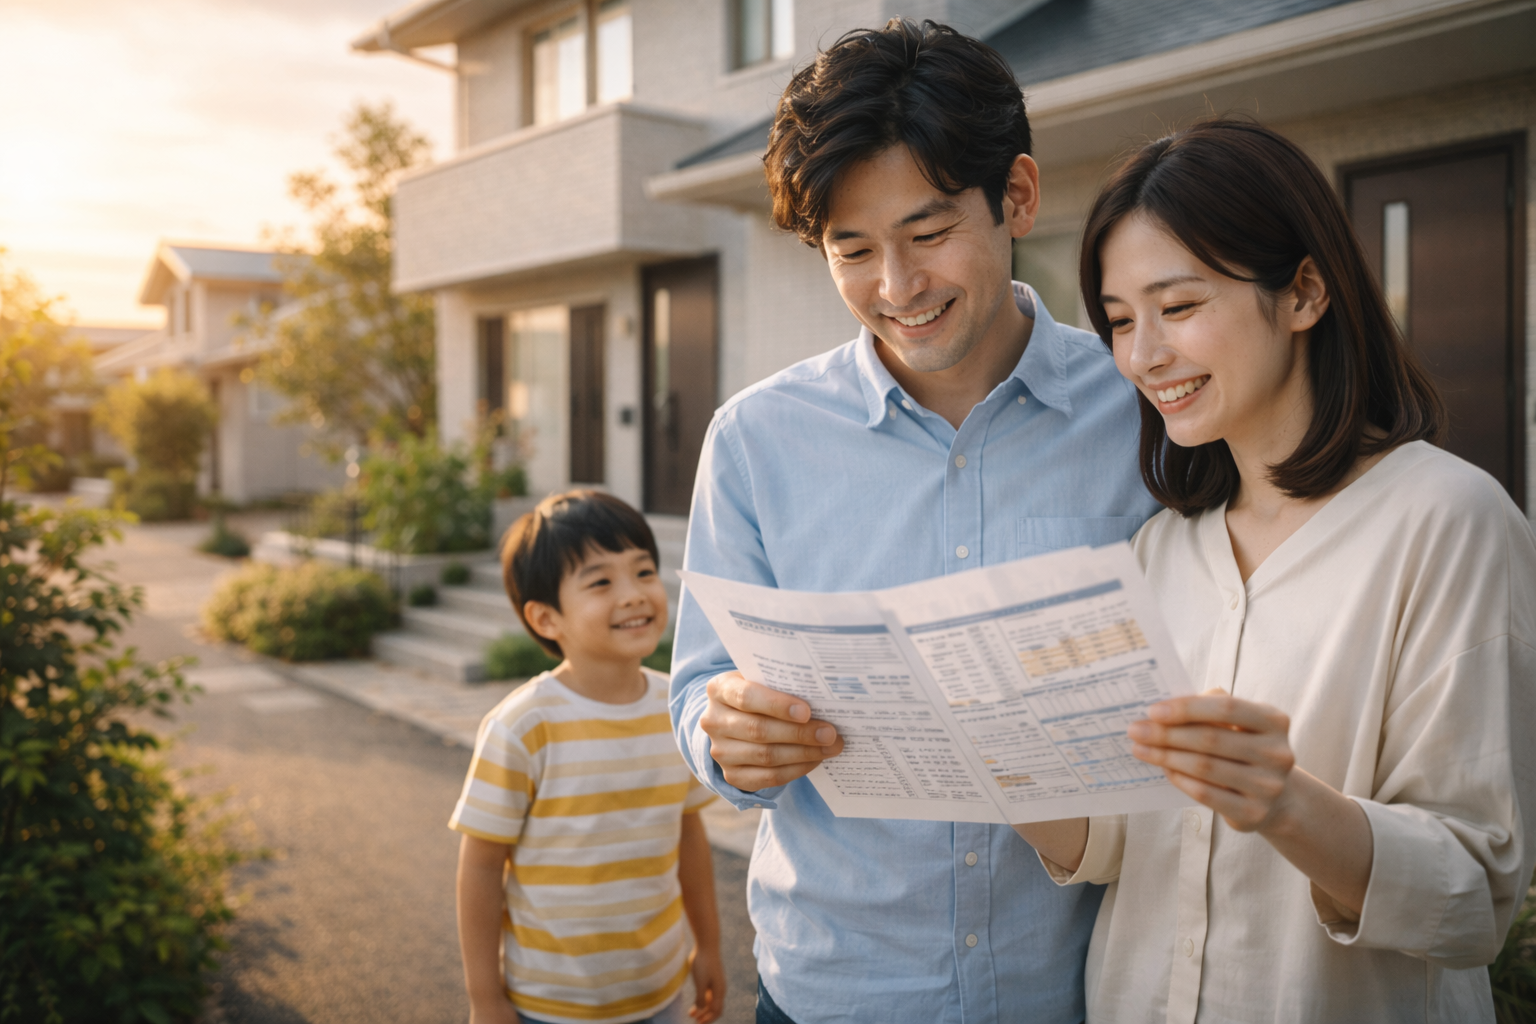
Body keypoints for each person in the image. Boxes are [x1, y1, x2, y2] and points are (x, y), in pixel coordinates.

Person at [669, 19, 1160, 1024]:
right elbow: (695, 687)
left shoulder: (1145, 412)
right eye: (853, 251)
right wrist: (725, 735)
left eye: (930, 234)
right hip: (830, 991)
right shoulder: (757, 440)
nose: (897, 288)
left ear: (1016, 195)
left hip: (1073, 993)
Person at [1014, 119, 1536, 1023]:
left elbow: (1475, 896)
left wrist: (1287, 805)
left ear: (1303, 292)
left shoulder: (1450, 520)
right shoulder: (1160, 548)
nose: (1142, 357)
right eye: (1120, 321)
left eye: (1178, 308)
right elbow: (1121, 845)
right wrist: (994, 763)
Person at [452, 490, 726, 1024]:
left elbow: (688, 833)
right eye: (601, 582)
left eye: (644, 572)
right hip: (550, 1003)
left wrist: (709, 946)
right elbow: (481, 868)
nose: (634, 595)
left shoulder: (678, 707)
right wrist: (485, 997)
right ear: (546, 618)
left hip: (659, 990)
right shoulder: (523, 727)